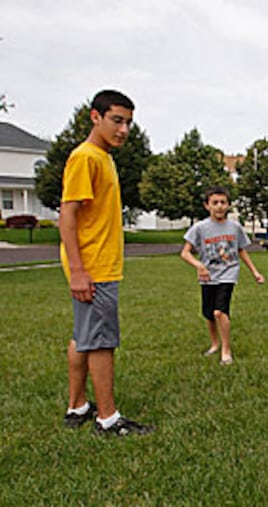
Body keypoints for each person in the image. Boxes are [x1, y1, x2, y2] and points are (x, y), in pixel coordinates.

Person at [60, 89, 154, 436]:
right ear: (95, 117)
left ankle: (77, 406)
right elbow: (66, 216)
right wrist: (80, 271)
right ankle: (108, 419)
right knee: (100, 341)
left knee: (82, 336)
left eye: (129, 122)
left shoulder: (103, 157)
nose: (124, 129)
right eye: (117, 120)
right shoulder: (86, 157)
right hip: (94, 267)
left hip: (96, 265)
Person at [180, 186, 265, 365]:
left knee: (220, 311)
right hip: (208, 276)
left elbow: (241, 251)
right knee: (209, 313)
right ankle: (215, 344)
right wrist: (199, 265)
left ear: (228, 205)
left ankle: (226, 350)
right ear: (207, 206)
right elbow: (185, 253)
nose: (219, 206)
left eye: (223, 202)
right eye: (215, 203)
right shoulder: (200, 228)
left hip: (229, 273)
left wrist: (255, 272)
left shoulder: (234, 227)